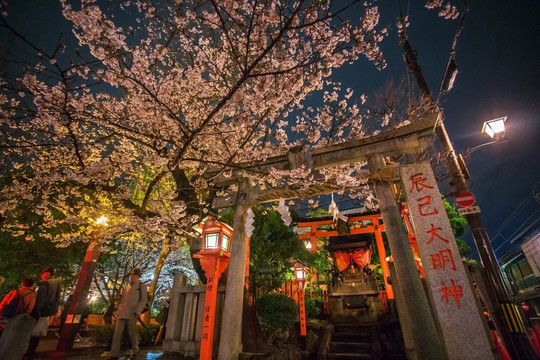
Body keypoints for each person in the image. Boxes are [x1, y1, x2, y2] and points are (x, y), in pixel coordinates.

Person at [107, 268, 148, 360]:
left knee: (132, 334)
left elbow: (143, 300)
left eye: (133, 274)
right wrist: (118, 310)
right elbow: (123, 300)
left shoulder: (141, 286)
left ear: (137, 275)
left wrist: (138, 311)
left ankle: (135, 350)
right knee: (117, 334)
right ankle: (114, 354)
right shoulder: (128, 286)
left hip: (132, 314)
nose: (131, 276)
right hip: (122, 313)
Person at [24, 267, 60, 360]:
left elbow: (40, 299)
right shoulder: (57, 283)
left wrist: (37, 311)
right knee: (38, 334)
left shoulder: (45, 283)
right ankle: (31, 352)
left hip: (40, 311)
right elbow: (57, 298)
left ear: (47, 274)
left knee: (32, 333)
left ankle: (27, 353)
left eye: (43, 274)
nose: (42, 276)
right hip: (47, 311)